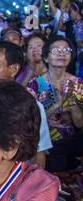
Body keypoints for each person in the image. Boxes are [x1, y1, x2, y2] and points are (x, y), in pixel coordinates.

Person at [27, 36, 83, 172]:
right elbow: (28, 121)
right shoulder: (36, 84)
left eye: (66, 50)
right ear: (46, 57)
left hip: (71, 142)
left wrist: (72, 104)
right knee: (54, 158)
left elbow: (80, 124)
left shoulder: (77, 83)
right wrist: (54, 106)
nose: (61, 53)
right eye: (56, 50)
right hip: (43, 140)